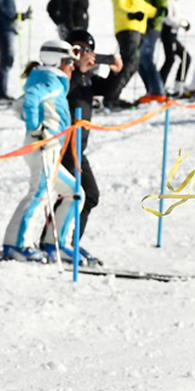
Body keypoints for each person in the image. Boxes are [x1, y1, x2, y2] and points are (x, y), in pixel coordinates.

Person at [2, 40, 79, 262]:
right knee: (40, 193)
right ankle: (17, 245)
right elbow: (32, 99)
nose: (71, 67)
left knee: (74, 192)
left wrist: (34, 122)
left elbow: (20, 103)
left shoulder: (49, 80)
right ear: (57, 61)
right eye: (68, 62)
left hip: (49, 147)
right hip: (44, 146)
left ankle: (55, 244)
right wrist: (36, 128)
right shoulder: (51, 82)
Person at [61, 28, 126, 264]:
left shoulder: (86, 77)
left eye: (88, 50)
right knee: (83, 195)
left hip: (78, 147)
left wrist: (116, 72)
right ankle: (62, 243)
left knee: (82, 196)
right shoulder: (65, 74)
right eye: (78, 50)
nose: (83, 55)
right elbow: (64, 92)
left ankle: (66, 243)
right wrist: (80, 71)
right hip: (65, 145)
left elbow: (109, 92)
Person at [109, 0, 156, 107]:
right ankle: (111, 97)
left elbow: (142, 6)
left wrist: (157, 12)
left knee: (132, 62)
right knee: (130, 62)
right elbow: (120, 5)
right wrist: (131, 14)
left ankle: (112, 95)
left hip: (137, 29)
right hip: (127, 28)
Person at [134, 0, 168, 103]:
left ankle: (158, 90)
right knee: (138, 59)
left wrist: (155, 22)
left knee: (146, 56)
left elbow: (163, 6)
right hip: (138, 26)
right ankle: (151, 90)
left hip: (152, 26)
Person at [157, 0, 192, 94]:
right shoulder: (165, 0)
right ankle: (159, 86)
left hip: (173, 33)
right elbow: (168, 18)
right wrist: (181, 23)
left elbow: (176, 16)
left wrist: (183, 22)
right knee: (170, 59)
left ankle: (178, 85)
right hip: (167, 32)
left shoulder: (173, 0)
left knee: (184, 57)